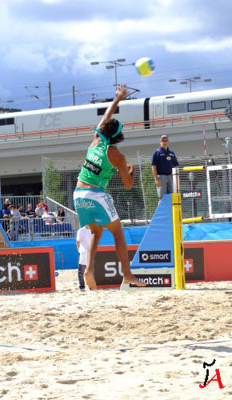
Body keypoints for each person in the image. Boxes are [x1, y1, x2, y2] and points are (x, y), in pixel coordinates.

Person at [73, 84, 146, 290]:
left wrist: (118, 98)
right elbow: (128, 185)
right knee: (118, 232)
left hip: (78, 194)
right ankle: (128, 275)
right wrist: (131, 169)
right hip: (95, 194)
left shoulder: (96, 139)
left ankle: (88, 270)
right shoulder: (116, 155)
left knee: (97, 231)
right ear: (118, 137)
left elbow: (107, 115)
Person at [151, 134, 179, 199]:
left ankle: (170, 209)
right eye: (163, 141)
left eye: (166, 140)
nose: (165, 142)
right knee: (162, 197)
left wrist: (174, 176)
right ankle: (161, 209)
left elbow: (176, 165)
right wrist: (156, 179)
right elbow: (153, 167)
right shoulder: (157, 153)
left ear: (168, 142)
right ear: (160, 142)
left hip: (170, 177)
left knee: (172, 196)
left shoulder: (171, 153)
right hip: (161, 176)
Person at [76, 225, 92, 291]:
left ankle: (90, 285)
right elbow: (78, 241)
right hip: (83, 252)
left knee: (90, 271)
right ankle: (82, 286)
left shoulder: (93, 230)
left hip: (90, 252)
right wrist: (79, 251)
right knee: (81, 271)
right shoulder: (81, 231)